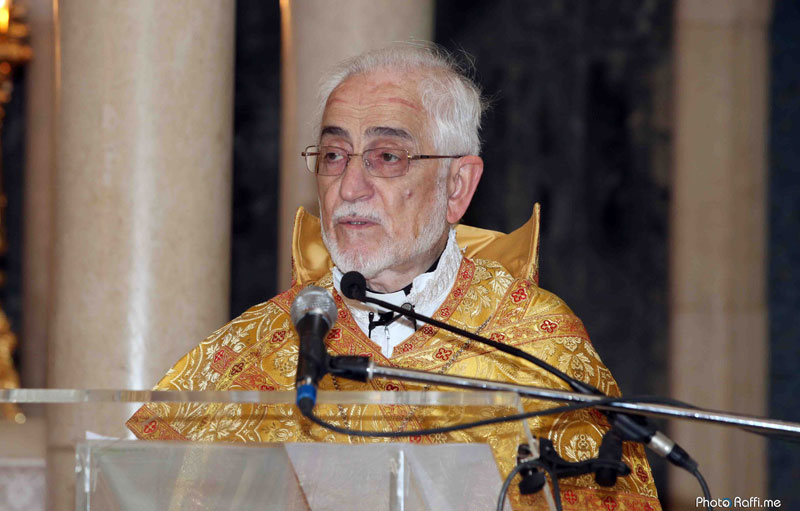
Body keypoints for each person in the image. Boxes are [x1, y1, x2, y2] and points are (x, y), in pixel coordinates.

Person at [128, 43, 661, 510]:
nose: (349, 186)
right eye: (334, 155)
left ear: (457, 186)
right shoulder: (248, 355)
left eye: (386, 157)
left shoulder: (538, 351)